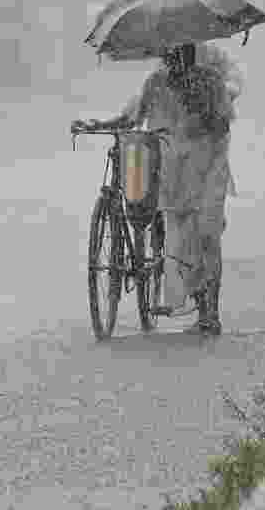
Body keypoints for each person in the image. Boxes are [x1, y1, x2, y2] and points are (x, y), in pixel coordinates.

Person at [73, 40, 243, 335]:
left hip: (209, 168)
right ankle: (201, 306)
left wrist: (202, 115)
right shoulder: (156, 83)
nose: (176, 61)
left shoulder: (212, 82)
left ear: (191, 54)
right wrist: (99, 124)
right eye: (171, 55)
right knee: (181, 240)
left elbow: (224, 124)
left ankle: (210, 312)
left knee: (206, 235)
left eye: (182, 54)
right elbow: (132, 117)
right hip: (175, 171)